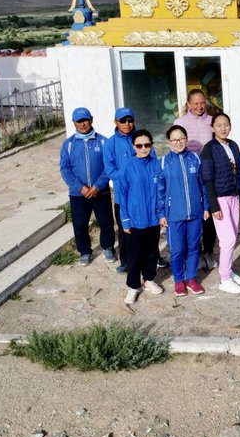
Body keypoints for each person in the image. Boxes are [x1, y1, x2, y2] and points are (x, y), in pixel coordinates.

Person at [58, 107, 116, 266]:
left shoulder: (103, 141)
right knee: (79, 224)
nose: (83, 124)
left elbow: (109, 166)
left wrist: (98, 185)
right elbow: (65, 169)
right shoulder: (68, 144)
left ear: (91, 119)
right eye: (79, 121)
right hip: (78, 194)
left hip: (100, 192)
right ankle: (84, 251)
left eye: (85, 120)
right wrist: (80, 187)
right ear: (74, 122)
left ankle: (108, 247)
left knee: (106, 222)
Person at [158, 124, 211, 297]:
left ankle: (191, 279)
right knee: (177, 250)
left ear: (186, 139)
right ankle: (179, 280)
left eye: (181, 138)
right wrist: (161, 213)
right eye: (174, 140)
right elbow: (160, 190)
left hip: (195, 213)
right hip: (174, 215)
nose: (178, 142)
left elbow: (202, 185)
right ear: (169, 142)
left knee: (194, 247)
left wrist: (205, 207)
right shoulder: (164, 162)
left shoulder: (194, 158)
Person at [114, 129, 165, 305]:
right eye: (139, 145)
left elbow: (160, 191)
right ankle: (133, 286)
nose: (143, 148)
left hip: (153, 218)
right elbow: (121, 194)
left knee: (152, 251)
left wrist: (161, 214)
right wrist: (125, 219)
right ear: (134, 146)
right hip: (135, 219)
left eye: (147, 145)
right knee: (135, 254)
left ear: (152, 145)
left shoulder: (156, 164)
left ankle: (149, 279)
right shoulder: (127, 166)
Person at [103, 106, 156, 274]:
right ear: (115, 122)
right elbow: (110, 170)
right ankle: (125, 261)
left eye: (130, 120)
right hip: (124, 195)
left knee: (149, 228)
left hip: (145, 195)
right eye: (123, 121)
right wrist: (128, 177)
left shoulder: (141, 140)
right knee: (125, 229)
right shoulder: (110, 143)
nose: (127, 124)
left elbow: (153, 162)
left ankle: (153, 257)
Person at [200, 113, 240, 294]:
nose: (223, 128)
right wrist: (213, 205)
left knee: (233, 236)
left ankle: (229, 269)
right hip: (219, 198)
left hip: (233, 196)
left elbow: (239, 172)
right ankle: (224, 279)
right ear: (212, 128)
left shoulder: (233, 145)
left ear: (230, 126)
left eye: (226, 124)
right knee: (228, 240)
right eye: (219, 125)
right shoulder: (209, 149)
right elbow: (207, 179)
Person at [174, 88, 218, 270]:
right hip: (189, 175)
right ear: (189, 104)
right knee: (193, 214)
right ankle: (196, 252)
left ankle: (208, 250)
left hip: (209, 173)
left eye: (202, 103)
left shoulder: (212, 121)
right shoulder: (180, 122)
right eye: (196, 103)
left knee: (210, 212)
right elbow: (176, 147)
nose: (200, 107)